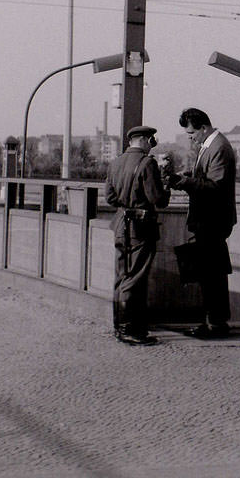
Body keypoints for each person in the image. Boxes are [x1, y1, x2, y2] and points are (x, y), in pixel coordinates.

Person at [166, 108, 237, 338]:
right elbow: (205, 177)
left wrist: (184, 182)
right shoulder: (212, 146)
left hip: (212, 219)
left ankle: (215, 324)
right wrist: (185, 176)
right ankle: (213, 322)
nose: (190, 137)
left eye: (191, 133)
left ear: (203, 128)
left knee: (212, 274)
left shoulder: (219, 148)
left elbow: (214, 187)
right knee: (210, 273)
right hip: (209, 219)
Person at [105, 125, 170, 345]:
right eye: (151, 141)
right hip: (141, 228)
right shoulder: (147, 163)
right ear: (144, 140)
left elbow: (110, 198)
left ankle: (120, 325)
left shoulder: (115, 163)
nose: (152, 145)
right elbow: (158, 199)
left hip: (121, 224)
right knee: (135, 277)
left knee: (121, 275)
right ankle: (129, 329)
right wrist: (165, 183)